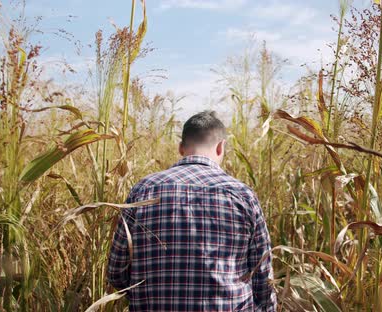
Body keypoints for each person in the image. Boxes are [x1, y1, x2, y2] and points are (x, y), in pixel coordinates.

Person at [107, 110, 277, 311]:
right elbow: (263, 278)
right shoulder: (242, 194)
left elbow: (117, 271)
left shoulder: (143, 190)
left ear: (181, 148)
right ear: (221, 147)